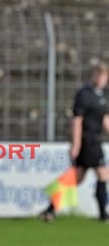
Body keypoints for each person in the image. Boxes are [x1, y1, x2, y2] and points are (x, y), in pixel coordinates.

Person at [40, 64, 109, 222]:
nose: (102, 79)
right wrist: (76, 144)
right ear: (93, 76)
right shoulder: (84, 94)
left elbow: (105, 120)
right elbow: (77, 120)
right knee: (103, 173)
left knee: (77, 177)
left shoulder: (100, 96)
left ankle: (50, 209)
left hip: (95, 140)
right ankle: (103, 215)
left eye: (104, 76)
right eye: (99, 75)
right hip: (87, 141)